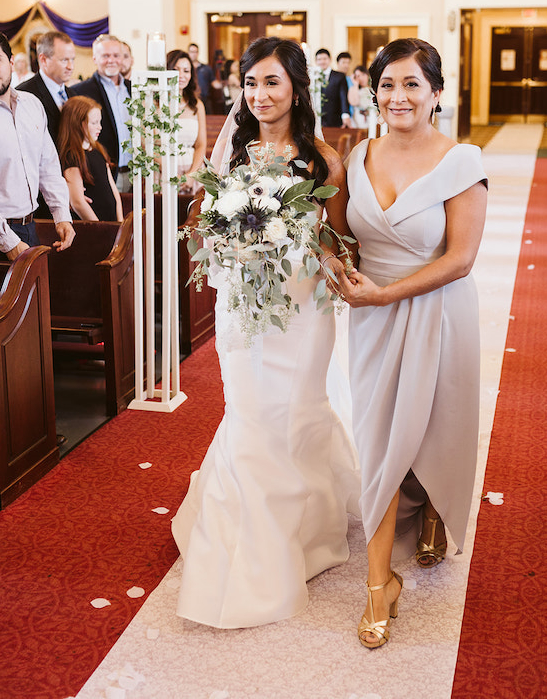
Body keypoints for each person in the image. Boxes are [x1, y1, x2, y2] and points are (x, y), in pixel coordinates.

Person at [169, 36, 359, 629]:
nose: (259, 95)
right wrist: (228, 246)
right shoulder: (233, 153)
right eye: (250, 84)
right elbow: (205, 221)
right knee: (250, 414)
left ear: (297, 88)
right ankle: (254, 541)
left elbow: (337, 239)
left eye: (272, 82)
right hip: (241, 311)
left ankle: (308, 526)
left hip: (302, 311)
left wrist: (315, 259)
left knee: (297, 409)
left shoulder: (322, 160)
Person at [334, 38, 488, 649]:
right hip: (370, 317)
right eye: (388, 85)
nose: (398, 97)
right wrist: (335, 269)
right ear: (374, 92)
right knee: (378, 438)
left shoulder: (462, 161)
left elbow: (461, 258)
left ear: (436, 94)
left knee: (434, 424)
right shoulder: (357, 156)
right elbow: (333, 233)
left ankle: (432, 513)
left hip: (438, 310)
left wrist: (385, 295)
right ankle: (379, 583)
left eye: (411, 85)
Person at [0, 27, 74, 261]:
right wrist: (9, 243)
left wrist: (61, 215)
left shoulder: (32, 104)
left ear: (9, 62)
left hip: (30, 225)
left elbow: (47, 165)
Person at [68, 33, 132, 190]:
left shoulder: (134, 88)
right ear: (95, 59)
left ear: (123, 58)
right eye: (105, 56)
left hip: (135, 175)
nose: (111, 60)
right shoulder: (79, 92)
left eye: (116, 55)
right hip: (101, 175)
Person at [56, 94, 121, 222]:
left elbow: (114, 193)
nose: (100, 127)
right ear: (78, 124)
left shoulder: (98, 150)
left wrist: (120, 223)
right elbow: (78, 202)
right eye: (94, 123)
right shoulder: (72, 156)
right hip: (95, 226)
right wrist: (100, 228)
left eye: (99, 122)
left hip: (111, 222)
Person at [17, 29, 75, 144]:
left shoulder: (73, 94)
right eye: (64, 60)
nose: (70, 66)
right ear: (43, 60)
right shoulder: (23, 95)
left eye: (72, 60)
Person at [166, 48, 208, 192]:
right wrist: (170, 172)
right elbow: (148, 146)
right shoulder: (153, 104)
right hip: (163, 173)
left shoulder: (197, 105)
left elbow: (201, 144)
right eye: (176, 69)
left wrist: (191, 175)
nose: (181, 75)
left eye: (186, 70)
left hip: (192, 171)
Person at [316, 47, 349, 127]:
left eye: (324, 59)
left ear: (329, 59)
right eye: (319, 59)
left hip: (334, 117)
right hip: (317, 118)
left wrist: (345, 114)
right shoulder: (313, 77)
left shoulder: (339, 76)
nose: (322, 61)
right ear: (316, 61)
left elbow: (343, 96)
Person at [347, 64, 373, 129]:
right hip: (358, 120)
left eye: (363, 75)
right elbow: (354, 102)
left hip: (372, 118)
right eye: (358, 76)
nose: (361, 78)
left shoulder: (374, 89)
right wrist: (355, 85)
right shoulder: (353, 89)